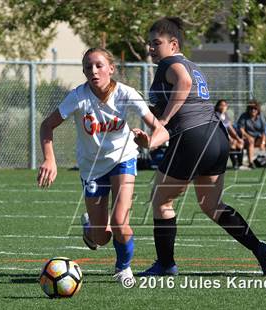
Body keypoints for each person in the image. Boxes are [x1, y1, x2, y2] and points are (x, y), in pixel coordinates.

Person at [139, 17, 266, 276]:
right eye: (149, 44)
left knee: (162, 202)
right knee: (211, 205)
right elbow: (176, 100)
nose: (151, 48)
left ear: (173, 44)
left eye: (156, 43)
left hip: (192, 137)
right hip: (216, 136)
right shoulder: (191, 64)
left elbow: (184, 85)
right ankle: (260, 248)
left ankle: (166, 265)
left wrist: (164, 120)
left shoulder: (171, 63)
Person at [37, 47, 169, 285]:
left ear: (111, 68)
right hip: (91, 168)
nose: (93, 71)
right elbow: (47, 125)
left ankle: (123, 267)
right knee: (101, 237)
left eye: (99, 65)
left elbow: (160, 130)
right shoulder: (78, 96)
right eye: (88, 67)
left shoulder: (127, 94)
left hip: (123, 159)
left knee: (120, 221)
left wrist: (149, 142)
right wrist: (49, 158)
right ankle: (90, 227)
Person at [237, 100, 266, 169]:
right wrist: (248, 137)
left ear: (258, 109)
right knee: (250, 141)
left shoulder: (261, 116)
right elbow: (241, 130)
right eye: (251, 108)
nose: (253, 110)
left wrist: (263, 143)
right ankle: (251, 163)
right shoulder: (244, 116)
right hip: (247, 139)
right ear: (248, 109)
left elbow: (263, 131)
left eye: (255, 108)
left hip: (258, 138)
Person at [215, 99, 244, 169]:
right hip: (218, 137)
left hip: (226, 137)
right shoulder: (216, 115)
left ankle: (240, 164)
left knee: (240, 143)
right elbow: (220, 129)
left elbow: (230, 129)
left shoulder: (225, 116)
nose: (223, 107)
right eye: (221, 105)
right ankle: (235, 164)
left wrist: (238, 139)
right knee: (233, 143)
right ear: (218, 106)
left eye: (225, 105)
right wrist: (230, 138)